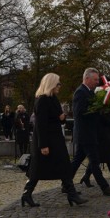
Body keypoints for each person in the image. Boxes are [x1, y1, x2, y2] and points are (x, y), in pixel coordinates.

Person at [22, 73, 87, 207]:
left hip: (55, 138)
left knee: (63, 166)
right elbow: (40, 124)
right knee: (38, 169)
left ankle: (71, 193)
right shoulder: (42, 100)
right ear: (51, 84)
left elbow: (54, 118)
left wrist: (61, 118)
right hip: (47, 140)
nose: (60, 86)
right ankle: (27, 194)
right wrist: (43, 145)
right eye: (58, 83)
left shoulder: (52, 98)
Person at [70, 68, 110, 196]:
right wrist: (95, 111)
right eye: (95, 79)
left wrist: (109, 123)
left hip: (89, 133)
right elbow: (79, 113)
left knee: (77, 161)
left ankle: (66, 183)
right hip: (85, 133)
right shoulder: (80, 93)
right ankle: (105, 187)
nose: (97, 82)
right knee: (95, 161)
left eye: (98, 79)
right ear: (87, 79)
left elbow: (96, 113)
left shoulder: (90, 92)